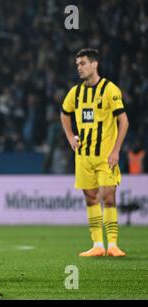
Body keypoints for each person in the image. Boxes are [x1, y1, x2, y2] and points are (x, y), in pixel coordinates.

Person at [60, 48, 129, 257]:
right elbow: (64, 114)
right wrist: (71, 136)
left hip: (106, 155)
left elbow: (123, 121)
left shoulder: (110, 90)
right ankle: (98, 245)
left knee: (108, 196)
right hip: (83, 155)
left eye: (82, 63)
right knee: (90, 198)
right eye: (77, 64)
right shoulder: (76, 93)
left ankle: (113, 244)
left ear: (94, 64)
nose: (78, 68)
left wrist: (116, 150)